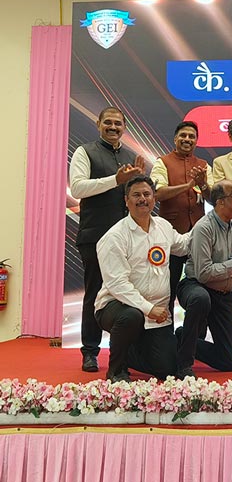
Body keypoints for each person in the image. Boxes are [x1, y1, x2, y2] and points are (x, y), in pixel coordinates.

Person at [69, 106, 145, 373]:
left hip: (128, 239)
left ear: (124, 127)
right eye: (108, 123)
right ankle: (90, 352)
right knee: (95, 293)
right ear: (98, 124)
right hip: (95, 236)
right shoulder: (85, 151)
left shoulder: (130, 157)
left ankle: (125, 353)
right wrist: (116, 179)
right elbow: (77, 188)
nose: (113, 127)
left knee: (128, 294)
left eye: (118, 124)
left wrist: (137, 180)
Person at [94, 175, 188, 382]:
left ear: (154, 198)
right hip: (117, 306)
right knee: (131, 317)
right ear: (126, 200)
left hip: (157, 315)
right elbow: (118, 284)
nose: (142, 199)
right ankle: (117, 370)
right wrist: (148, 308)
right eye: (136, 195)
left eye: (147, 194)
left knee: (167, 369)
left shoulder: (163, 226)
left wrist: (210, 223)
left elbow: (183, 245)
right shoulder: (114, 237)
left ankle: (130, 351)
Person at [175, 180, 232, 378]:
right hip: (197, 286)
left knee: (229, 361)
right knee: (200, 298)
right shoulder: (203, 228)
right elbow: (203, 273)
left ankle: (182, 337)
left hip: (223, 294)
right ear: (220, 202)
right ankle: (184, 364)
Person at [150, 120, 213, 315]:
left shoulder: (203, 165)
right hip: (170, 235)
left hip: (198, 235)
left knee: (200, 288)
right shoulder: (162, 162)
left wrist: (202, 184)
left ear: (196, 141)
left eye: (191, 136)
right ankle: (165, 329)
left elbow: (212, 198)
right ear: (175, 139)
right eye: (183, 136)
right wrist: (187, 186)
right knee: (166, 289)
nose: (187, 139)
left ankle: (194, 331)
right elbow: (158, 193)